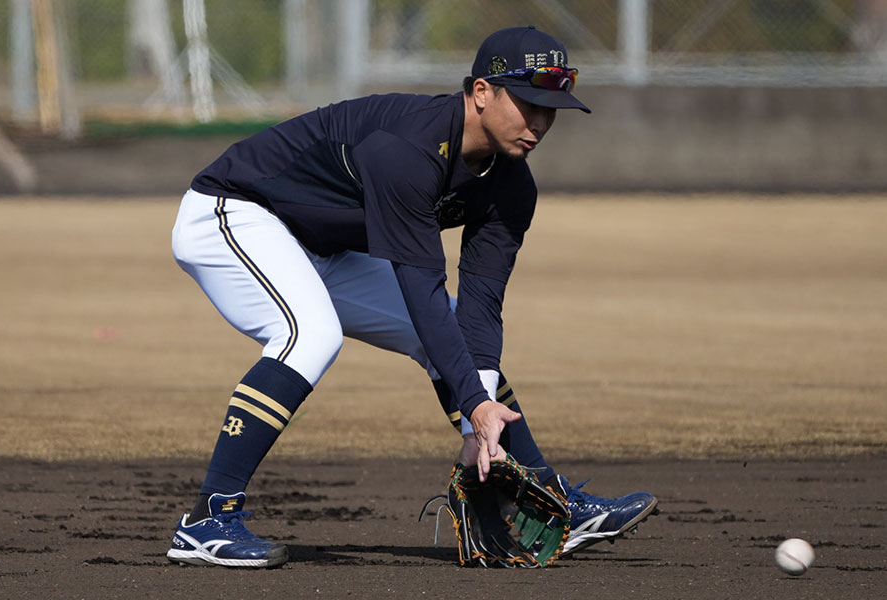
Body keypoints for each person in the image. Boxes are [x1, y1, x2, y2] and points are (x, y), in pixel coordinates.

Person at [166, 26, 656, 569]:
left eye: (552, 108)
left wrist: (479, 425)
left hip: (321, 248)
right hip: (234, 212)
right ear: (481, 92)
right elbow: (420, 285)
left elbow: (480, 303)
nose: (539, 122)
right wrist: (471, 405)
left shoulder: (512, 185)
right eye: (528, 102)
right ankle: (207, 519)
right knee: (310, 335)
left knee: (454, 338)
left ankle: (554, 502)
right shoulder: (408, 150)